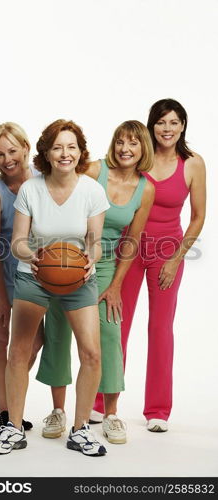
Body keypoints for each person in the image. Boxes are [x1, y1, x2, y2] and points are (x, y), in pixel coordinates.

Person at [0, 119, 110, 457]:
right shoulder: (31, 189)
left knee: (92, 353)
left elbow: (95, 243)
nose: (65, 153)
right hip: (34, 273)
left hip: (79, 276)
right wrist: (34, 255)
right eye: (58, 147)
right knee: (19, 352)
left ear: (81, 152)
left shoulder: (92, 191)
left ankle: (81, 429)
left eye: (72, 147)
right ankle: (12, 427)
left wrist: (90, 260)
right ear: (46, 153)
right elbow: (17, 243)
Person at [36, 121, 155, 445]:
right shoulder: (93, 170)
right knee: (58, 330)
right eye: (120, 141)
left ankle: (112, 413)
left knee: (109, 333)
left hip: (103, 265)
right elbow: (54, 183)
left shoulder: (147, 188)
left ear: (144, 148)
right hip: (66, 256)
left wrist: (115, 285)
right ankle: (58, 410)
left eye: (132, 143)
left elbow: (132, 240)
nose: (125, 149)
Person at [96, 98, 206, 432]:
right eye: (161, 122)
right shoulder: (137, 157)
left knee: (160, 329)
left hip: (167, 255)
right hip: (126, 251)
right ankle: (102, 402)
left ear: (183, 125)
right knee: (116, 325)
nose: (167, 129)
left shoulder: (193, 164)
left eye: (174, 122)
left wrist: (176, 259)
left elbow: (198, 217)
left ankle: (157, 410)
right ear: (151, 125)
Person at [0, 122, 44, 433]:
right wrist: (1, 296)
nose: (7, 159)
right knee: (0, 340)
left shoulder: (42, 181)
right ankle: (4, 412)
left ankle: (4, 393)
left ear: (26, 148)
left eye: (12, 150)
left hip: (30, 272)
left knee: (34, 342)